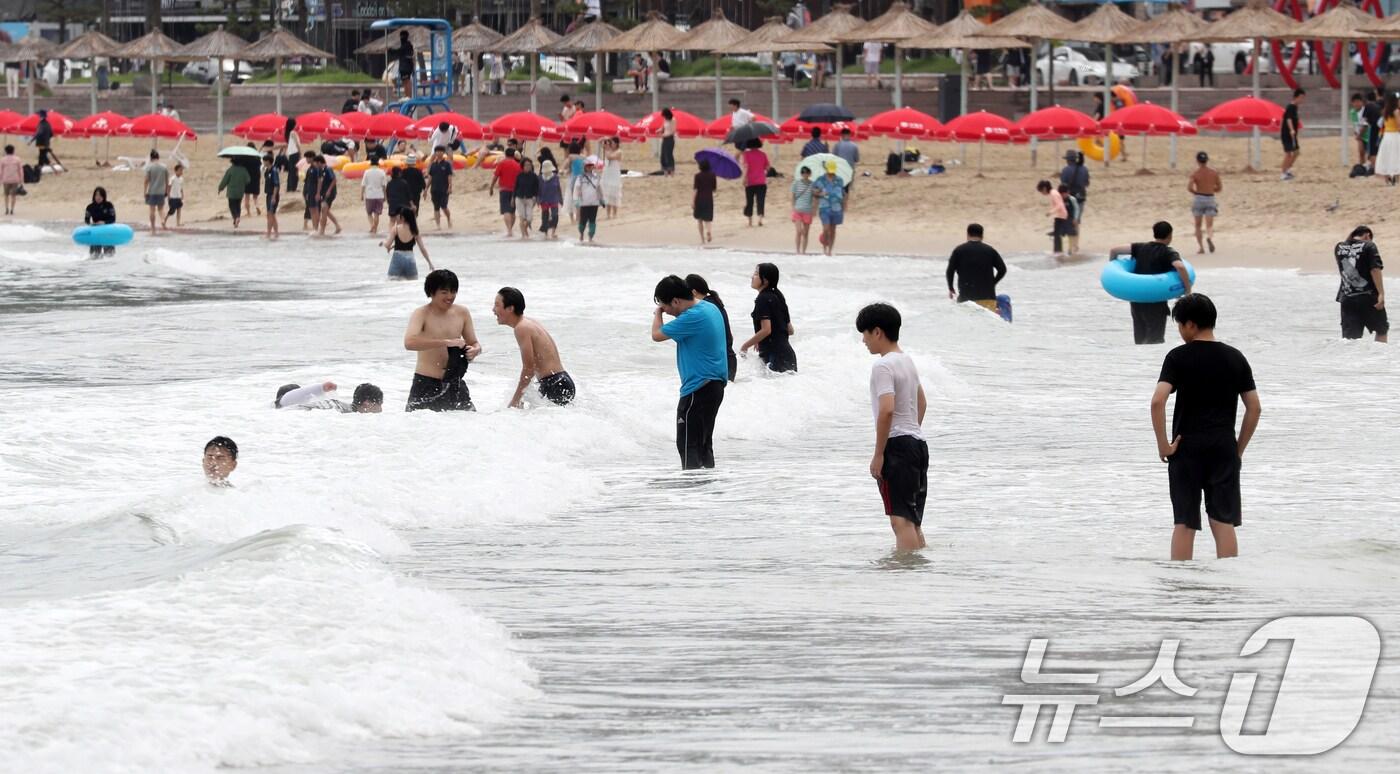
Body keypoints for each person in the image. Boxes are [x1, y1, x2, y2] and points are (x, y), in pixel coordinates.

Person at [1151, 293, 1261, 561]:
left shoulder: (1178, 357)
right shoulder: (1235, 357)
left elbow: (1157, 401)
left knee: (1185, 522)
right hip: (1223, 448)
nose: (1180, 332)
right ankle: (1227, 580)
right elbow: (1254, 407)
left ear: (1190, 324)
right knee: (1223, 521)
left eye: (1180, 325)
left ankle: (1181, 581)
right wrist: (1237, 449)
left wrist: (1164, 445)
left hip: (1186, 448)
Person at [856, 302, 928, 553]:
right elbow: (921, 402)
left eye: (865, 334)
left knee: (900, 522)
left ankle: (904, 572)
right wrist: (911, 434)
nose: (864, 341)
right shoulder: (906, 360)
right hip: (917, 444)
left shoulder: (883, 365)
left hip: (897, 446)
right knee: (912, 519)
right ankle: (919, 567)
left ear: (877, 332)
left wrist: (879, 454)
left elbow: (886, 409)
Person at [651, 275, 729, 469]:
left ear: (676, 301)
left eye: (665, 306)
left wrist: (657, 314)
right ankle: (706, 484)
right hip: (715, 386)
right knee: (704, 445)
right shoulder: (710, 308)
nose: (666, 311)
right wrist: (664, 308)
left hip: (698, 388)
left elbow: (656, 335)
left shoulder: (692, 317)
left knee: (687, 445)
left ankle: (691, 486)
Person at [403, 269, 480, 412]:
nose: (450, 296)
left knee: (470, 423)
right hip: (426, 383)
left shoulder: (462, 313)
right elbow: (409, 342)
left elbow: (474, 342)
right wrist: (446, 342)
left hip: (455, 383)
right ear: (432, 292)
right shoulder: (421, 313)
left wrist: (475, 350)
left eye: (453, 292)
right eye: (444, 292)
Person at [1109, 221, 1193, 345]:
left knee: (1140, 340)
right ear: (1170, 235)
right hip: (1156, 303)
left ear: (1154, 234)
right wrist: (1187, 289)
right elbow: (1180, 266)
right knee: (1155, 340)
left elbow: (1114, 250)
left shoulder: (1140, 247)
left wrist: (1112, 269)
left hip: (1137, 301)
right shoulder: (1168, 252)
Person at [494, 287, 576, 408]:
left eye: (497, 305)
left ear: (510, 308)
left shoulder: (521, 328)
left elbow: (529, 369)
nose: (493, 310)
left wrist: (515, 400)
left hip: (554, 385)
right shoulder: (528, 322)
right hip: (560, 381)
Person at [739, 262, 797, 373]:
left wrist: (745, 346)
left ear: (765, 280)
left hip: (775, 357)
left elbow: (766, 330)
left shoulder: (763, 299)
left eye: (756, 274)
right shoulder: (778, 296)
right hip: (787, 355)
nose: (752, 277)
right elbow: (790, 330)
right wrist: (760, 339)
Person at [1334, 225, 1387, 342]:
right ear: (1367, 235)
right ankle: (1380, 354)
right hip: (1368, 297)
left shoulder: (1339, 247)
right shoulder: (1369, 246)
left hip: (1347, 299)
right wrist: (1381, 293)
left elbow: (1344, 261)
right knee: (1381, 330)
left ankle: (1353, 355)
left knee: (1350, 340)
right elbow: (1375, 269)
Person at [686, 274, 737, 382]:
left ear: (693, 292)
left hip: (721, 362)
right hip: (727, 359)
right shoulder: (713, 302)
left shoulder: (705, 307)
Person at [946, 223, 1008, 311]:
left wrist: (951, 288)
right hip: (987, 297)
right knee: (988, 319)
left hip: (966, 299)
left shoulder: (959, 250)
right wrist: (993, 283)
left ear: (968, 235)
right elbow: (1002, 269)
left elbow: (950, 271)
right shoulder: (990, 250)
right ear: (982, 235)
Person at [382, 206, 432, 280]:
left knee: (392, 281)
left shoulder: (396, 229)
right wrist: (429, 263)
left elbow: (387, 245)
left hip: (397, 259)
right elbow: (422, 249)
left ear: (403, 218)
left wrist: (383, 242)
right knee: (412, 283)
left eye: (400, 215)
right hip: (410, 260)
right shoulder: (415, 231)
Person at [1188, 151, 1221, 254]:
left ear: (1197, 161)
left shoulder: (1195, 174)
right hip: (1210, 198)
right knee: (1209, 225)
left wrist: (1196, 192)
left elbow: (1189, 187)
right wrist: (1211, 189)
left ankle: (1201, 248)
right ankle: (1209, 237)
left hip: (1199, 198)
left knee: (1198, 225)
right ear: (1207, 160)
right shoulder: (1214, 173)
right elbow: (1219, 187)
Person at [275, 381, 384, 413]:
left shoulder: (340, 406)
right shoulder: (343, 409)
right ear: (367, 403)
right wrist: (320, 387)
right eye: (380, 404)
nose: (381, 409)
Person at [813, 160, 846, 255]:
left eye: (833, 171)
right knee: (826, 229)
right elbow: (813, 192)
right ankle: (824, 249)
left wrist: (843, 207)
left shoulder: (839, 180)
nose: (831, 173)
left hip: (837, 208)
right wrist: (820, 193)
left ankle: (830, 251)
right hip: (824, 207)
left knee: (833, 230)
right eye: (830, 170)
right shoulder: (820, 180)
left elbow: (842, 194)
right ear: (826, 169)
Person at [490, 147, 522, 236]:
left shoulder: (501, 164)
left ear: (505, 154)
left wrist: (491, 187)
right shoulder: (518, 165)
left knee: (506, 210)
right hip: (515, 190)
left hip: (504, 190)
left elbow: (495, 177)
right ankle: (510, 229)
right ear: (513, 155)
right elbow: (520, 178)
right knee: (512, 211)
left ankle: (509, 230)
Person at [572, 156, 605, 243]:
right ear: (585, 167)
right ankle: (581, 234)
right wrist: (576, 200)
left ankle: (590, 237)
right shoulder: (580, 178)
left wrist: (602, 199)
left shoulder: (597, 177)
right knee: (583, 221)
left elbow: (600, 189)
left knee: (592, 221)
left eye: (591, 165)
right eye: (588, 166)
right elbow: (576, 189)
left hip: (594, 202)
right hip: (584, 203)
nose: (589, 167)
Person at [1374, 92, 1400, 186]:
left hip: (1386, 136)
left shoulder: (1385, 111)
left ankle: (1387, 178)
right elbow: (1399, 125)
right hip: (1395, 135)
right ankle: (1396, 178)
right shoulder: (1396, 111)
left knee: (1387, 156)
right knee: (1396, 156)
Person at [1037, 179, 1068, 257]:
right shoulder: (1053, 193)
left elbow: (1059, 205)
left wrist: (1050, 212)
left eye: (1041, 191)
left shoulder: (1054, 194)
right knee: (1057, 234)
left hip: (1061, 215)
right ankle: (1057, 251)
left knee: (1057, 235)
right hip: (1059, 215)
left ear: (1044, 188)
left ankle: (1058, 252)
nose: (1042, 193)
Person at [741, 139, 769, 227]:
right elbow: (767, 167)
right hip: (761, 181)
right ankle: (760, 219)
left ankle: (750, 222)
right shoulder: (763, 154)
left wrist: (744, 178)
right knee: (761, 200)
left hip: (750, 182)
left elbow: (746, 167)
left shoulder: (746, 154)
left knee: (749, 201)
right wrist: (763, 172)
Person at [217, 157, 250, 228]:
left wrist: (220, 188)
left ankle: (236, 217)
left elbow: (225, 181)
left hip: (231, 192)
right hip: (240, 191)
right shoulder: (244, 170)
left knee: (232, 206)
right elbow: (248, 180)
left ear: (232, 162)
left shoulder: (230, 170)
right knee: (238, 205)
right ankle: (237, 217)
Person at [83, 187, 116, 257]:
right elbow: (86, 220)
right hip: (96, 232)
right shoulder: (90, 207)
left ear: (104, 196)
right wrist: (91, 223)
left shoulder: (109, 205)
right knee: (94, 256)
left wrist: (104, 222)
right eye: (96, 195)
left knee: (110, 256)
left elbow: (113, 219)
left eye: (100, 195)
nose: (98, 197)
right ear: (94, 196)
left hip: (107, 231)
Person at [427, 146, 454, 229]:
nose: (439, 153)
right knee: (436, 207)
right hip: (434, 189)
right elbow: (430, 177)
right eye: (437, 151)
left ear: (443, 153)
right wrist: (426, 188)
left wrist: (450, 187)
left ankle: (449, 219)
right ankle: (438, 225)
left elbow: (449, 176)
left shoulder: (447, 164)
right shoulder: (433, 165)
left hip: (444, 189)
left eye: (441, 151)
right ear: (435, 153)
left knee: (444, 206)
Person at [1280, 87, 1304, 182]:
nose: (1302, 100)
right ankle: (1283, 173)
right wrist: (1291, 130)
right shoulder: (1290, 107)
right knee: (1289, 153)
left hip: (1293, 135)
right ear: (1296, 97)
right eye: (1301, 97)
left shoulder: (1295, 107)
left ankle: (1288, 170)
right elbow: (1288, 119)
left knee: (1296, 152)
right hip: (1287, 134)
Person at [791, 165, 816, 253]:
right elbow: (793, 197)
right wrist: (793, 208)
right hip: (797, 210)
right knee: (799, 231)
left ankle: (803, 251)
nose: (805, 174)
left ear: (809, 174)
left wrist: (814, 209)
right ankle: (797, 250)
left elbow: (814, 197)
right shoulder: (796, 183)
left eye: (806, 173)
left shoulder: (812, 184)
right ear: (801, 174)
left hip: (808, 210)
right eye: (803, 173)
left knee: (806, 233)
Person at [143, 150, 168, 234]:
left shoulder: (149, 167)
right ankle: (163, 220)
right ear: (158, 157)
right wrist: (166, 191)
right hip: (161, 191)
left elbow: (146, 180)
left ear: (151, 158)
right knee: (161, 209)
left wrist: (145, 191)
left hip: (152, 191)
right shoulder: (164, 167)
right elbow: (167, 180)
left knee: (152, 210)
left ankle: (153, 229)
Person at [1059, 150, 1088, 222]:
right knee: (1076, 220)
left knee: (1068, 219)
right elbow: (1086, 183)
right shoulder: (1084, 169)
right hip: (1081, 196)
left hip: (1070, 197)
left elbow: (1063, 184)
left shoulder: (1065, 170)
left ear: (1067, 160)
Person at [514, 157, 540, 239]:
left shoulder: (534, 176)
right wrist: (512, 198)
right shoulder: (519, 175)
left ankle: (525, 230)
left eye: (529, 165)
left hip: (530, 199)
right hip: (519, 198)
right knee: (522, 217)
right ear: (523, 166)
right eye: (526, 165)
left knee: (529, 218)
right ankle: (524, 235)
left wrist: (536, 198)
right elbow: (515, 187)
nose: (528, 166)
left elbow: (537, 188)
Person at [360, 156, 387, 234]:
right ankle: (375, 228)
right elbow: (384, 185)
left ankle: (372, 226)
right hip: (379, 195)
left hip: (369, 195)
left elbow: (363, 184)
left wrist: (361, 195)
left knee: (369, 213)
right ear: (378, 163)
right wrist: (385, 196)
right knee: (377, 213)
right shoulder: (382, 172)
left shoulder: (367, 172)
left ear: (371, 163)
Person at [315, 155, 341, 235]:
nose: (315, 165)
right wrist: (318, 193)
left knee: (324, 209)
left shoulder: (328, 169)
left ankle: (322, 230)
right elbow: (319, 182)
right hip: (323, 193)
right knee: (326, 211)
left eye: (316, 163)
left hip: (330, 192)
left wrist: (329, 190)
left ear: (319, 162)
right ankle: (338, 226)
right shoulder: (319, 170)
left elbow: (334, 180)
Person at [693, 157, 716, 243]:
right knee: (708, 219)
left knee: (699, 220)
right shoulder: (712, 175)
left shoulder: (697, 176)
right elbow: (714, 189)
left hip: (699, 200)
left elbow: (695, 190)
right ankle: (708, 231)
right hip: (709, 199)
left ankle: (702, 239)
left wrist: (692, 201)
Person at [538, 159, 562, 239]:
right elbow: (538, 189)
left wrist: (560, 199)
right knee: (545, 216)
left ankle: (553, 232)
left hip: (554, 199)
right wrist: (538, 199)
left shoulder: (555, 177)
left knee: (555, 216)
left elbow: (558, 188)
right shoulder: (540, 178)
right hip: (544, 200)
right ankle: (545, 232)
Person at [389, 30, 415, 99]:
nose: (401, 38)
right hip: (405, 66)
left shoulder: (406, 45)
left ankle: (408, 97)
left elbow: (398, 51)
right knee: (405, 81)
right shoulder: (407, 45)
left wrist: (390, 50)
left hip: (405, 67)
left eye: (402, 36)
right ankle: (407, 96)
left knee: (407, 81)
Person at [238, 143, 262, 218]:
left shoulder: (245, 157)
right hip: (256, 177)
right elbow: (260, 165)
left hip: (247, 178)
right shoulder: (257, 156)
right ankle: (257, 206)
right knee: (255, 196)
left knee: (247, 196)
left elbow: (241, 166)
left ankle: (249, 213)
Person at [601, 137, 623, 219]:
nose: (611, 144)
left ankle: (615, 214)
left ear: (616, 144)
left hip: (614, 174)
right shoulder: (608, 150)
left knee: (614, 194)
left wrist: (606, 149)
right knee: (607, 194)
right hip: (607, 173)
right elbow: (605, 159)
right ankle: (608, 214)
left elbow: (610, 157)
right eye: (610, 142)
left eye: (612, 142)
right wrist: (604, 140)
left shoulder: (619, 152)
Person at [301, 150, 322, 231]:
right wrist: (306, 192)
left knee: (315, 210)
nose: (306, 160)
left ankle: (316, 228)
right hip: (309, 192)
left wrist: (318, 193)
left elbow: (319, 181)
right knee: (311, 209)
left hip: (314, 192)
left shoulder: (316, 168)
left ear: (312, 158)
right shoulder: (310, 169)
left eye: (307, 158)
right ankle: (314, 227)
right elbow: (307, 181)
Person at [1058, 184, 1080, 255]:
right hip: (1063, 219)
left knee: (1072, 234)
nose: (1063, 196)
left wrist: (1075, 218)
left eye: (1064, 194)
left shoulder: (1072, 199)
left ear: (1068, 192)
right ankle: (1062, 249)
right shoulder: (1059, 199)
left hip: (1071, 219)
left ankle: (1071, 249)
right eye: (1061, 194)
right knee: (1062, 234)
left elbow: (1077, 209)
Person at [280, 118, 301, 193]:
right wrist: (300, 152)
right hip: (295, 152)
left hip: (291, 153)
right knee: (294, 170)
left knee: (291, 170)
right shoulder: (293, 132)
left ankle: (290, 187)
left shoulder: (288, 133)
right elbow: (297, 144)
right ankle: (293, 187)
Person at [1364, 90, 1383, 171]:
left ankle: (1374, 167)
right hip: (1381, 129)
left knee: (1371, 149)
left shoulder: (1368, 105)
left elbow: (1365, 119)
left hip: (1373, 128)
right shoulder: (1378, 105)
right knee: (1377, 147)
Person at [163, 163, 185, 229]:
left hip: (178, 196)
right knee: (172, 211)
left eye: (182, 170)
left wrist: (182, 194)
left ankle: (178, 223)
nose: (181, 172)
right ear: (176, 171)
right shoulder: (172, 178)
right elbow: (169, 187)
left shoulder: (181, 179)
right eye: (180, 170)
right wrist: (168, 196)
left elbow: (181, 187)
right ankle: (164, 221)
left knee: (179, 209)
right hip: (172, 197)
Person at [0, 144, 21, 215]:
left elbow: (1, 171)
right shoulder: (17, 159)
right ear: (13, 151)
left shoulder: (2, 159)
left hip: (6, 179)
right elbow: (20, 170)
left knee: (6, 195)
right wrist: (21, 179)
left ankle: (6, 209)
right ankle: (12, 209)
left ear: (6, 151)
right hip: (15, 179)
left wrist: (0, 179)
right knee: (13, 195)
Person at [660, 107, 677, 175]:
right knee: (663, 154)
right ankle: (664, 168)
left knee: (669, 154)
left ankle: (671, 169)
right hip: (664, 138)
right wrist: (659, 130)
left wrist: (665, 135)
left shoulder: (673, 120)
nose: (664, 117)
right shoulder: (665, 120)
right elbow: (663, 128)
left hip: (670, 138)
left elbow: (673, 131)